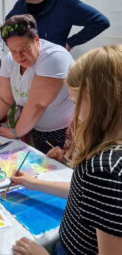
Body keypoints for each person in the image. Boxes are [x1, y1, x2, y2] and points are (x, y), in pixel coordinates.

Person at [11, 45, 122, 255]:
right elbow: (83, 194)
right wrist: (33, 183)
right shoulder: (106, 163)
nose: (74, 113)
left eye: (75, 102)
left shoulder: (104, 169)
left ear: (102, 103)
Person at [0, 15, 74, 154]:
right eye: (13, 51)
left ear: (36, 40)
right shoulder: (10, 59)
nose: (19, 57)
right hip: (33, 126)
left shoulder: (54, 57)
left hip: (60, 130)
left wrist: (16, 132)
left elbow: (38, 104)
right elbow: (4, 98)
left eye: (25, 49)